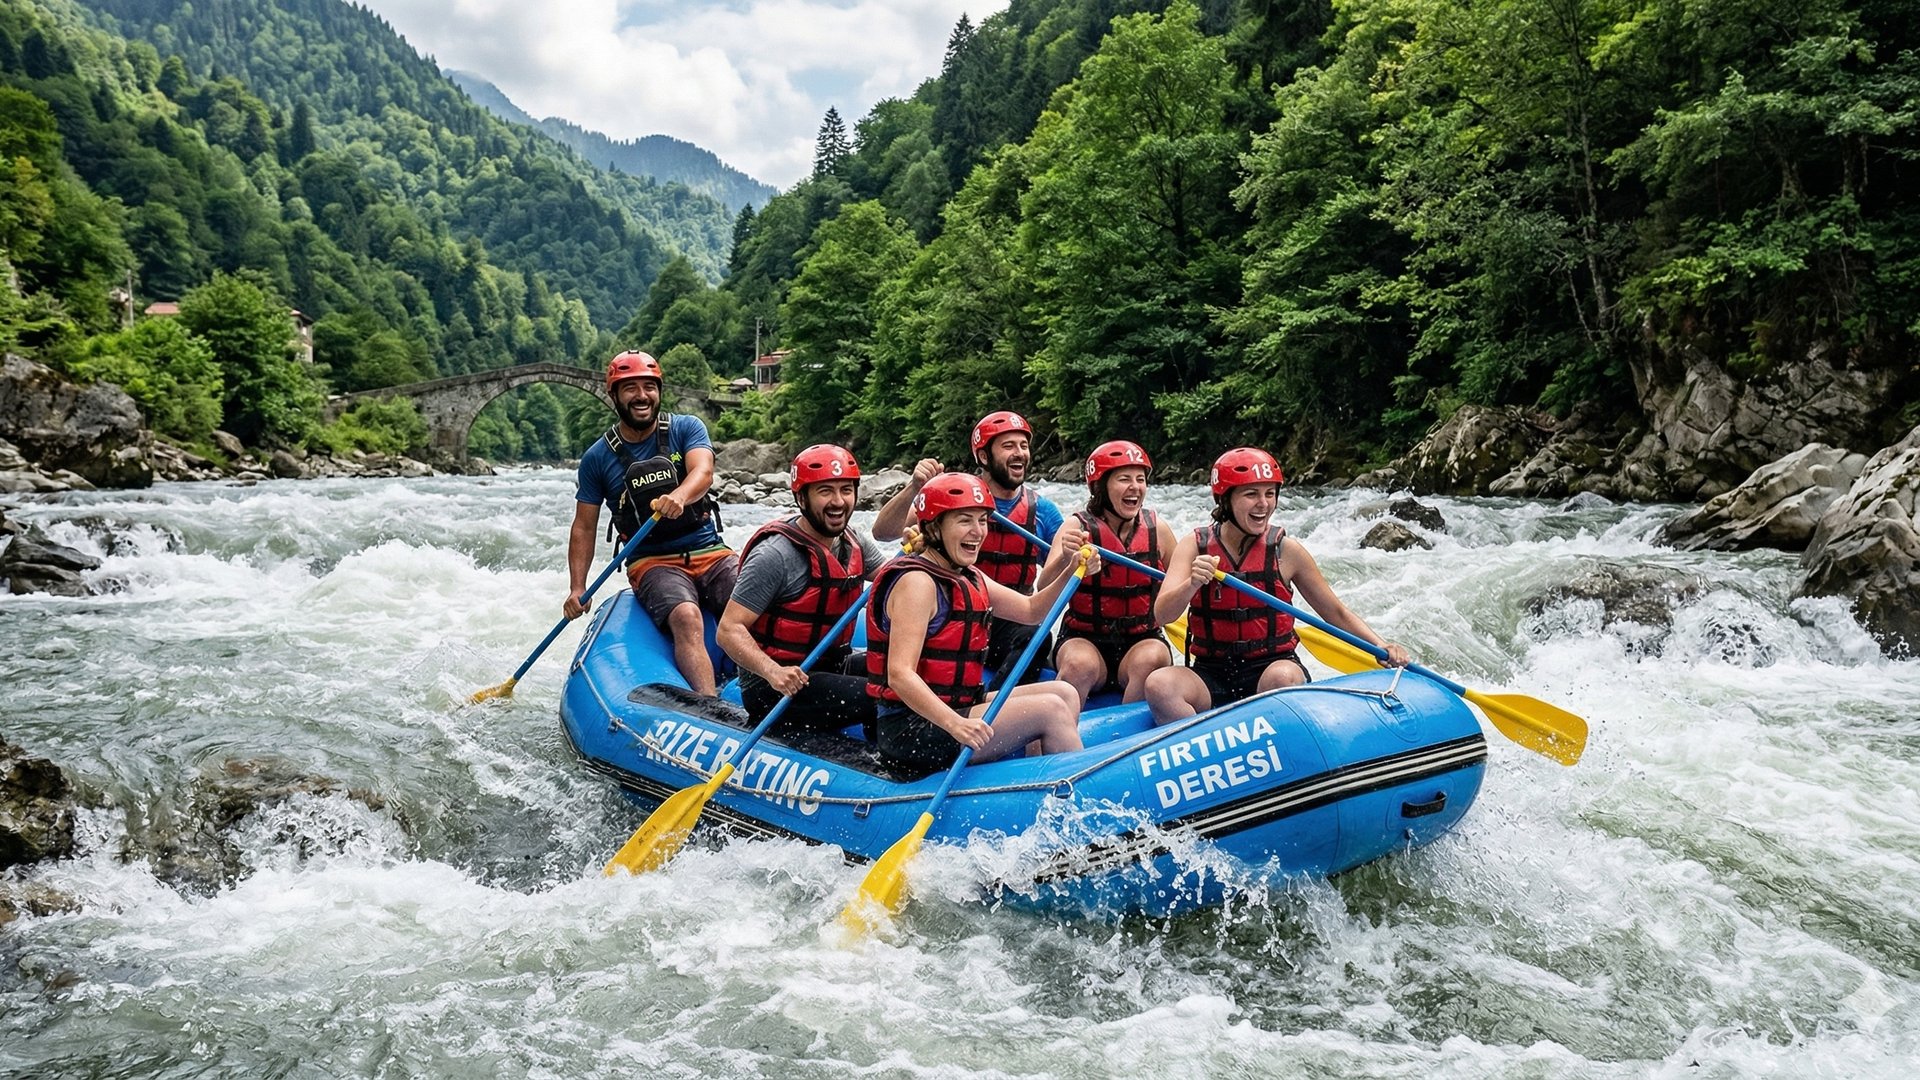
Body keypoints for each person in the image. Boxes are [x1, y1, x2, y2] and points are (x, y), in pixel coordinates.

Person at [1145, 447, 1409, 724]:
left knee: (1283, 677)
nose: (1264, 504)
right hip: (1211, 673)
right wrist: (1192, 583)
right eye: (1251, 494)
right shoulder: (1194, 545)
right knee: (1160, 685)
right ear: (1225, 500)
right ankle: (1200, 754)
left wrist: (1381, 645)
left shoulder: (1287, 551)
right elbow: (1162, 615)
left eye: (1270, 494)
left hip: (1271, 669)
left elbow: (1335, 613)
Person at [866, 472, 1092, 774]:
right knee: (1051, 710)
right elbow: (899, 674)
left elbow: (1031, 610)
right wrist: (955, 723)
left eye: (982, 520)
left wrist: (1073, 570)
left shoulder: (969, 575)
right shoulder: (917, 583)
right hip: (912, 727)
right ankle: (1075, 794)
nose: (977, 532)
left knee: (1065, 693)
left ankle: (1039, 773)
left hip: (959, 706)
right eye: (964, 521)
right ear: (934, 528)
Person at [564, 350, 735, 695]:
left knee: (752, 600)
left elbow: (703, 470)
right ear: (613, 396)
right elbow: (584, 526)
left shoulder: (687, 428)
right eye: (630, 389)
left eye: (649, 387)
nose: (641, 396)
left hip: (710, 551)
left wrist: (681, 496)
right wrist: (577, 587)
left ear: (659, 391)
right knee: (686, 616)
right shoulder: (597, 458)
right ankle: (711, 706)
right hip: (653, 561)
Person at [872, 411, 1082, 681]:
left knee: (1035, 638)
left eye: (1023, 445)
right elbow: (882, 532)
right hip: (947, 616)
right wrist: (914, 487)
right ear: (984, 457)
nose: (1019, 453)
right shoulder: (951, 498)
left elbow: (1044, 589)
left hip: (1007, 619)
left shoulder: (1043, 511)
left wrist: (1069, 558)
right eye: (1008, 446)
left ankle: (995, 705)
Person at [717, 445, 886, 735]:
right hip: (775, 687)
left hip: (832, 665)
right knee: (880, 696)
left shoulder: (853, 541)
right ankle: (884, 769)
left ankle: (883, 746)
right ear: (801, 498)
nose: (838, 502)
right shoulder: (774, 554)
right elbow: (728, 630)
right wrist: (773, 672)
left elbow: (896, 582)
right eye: (825, 491)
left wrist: (925, 554)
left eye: (846, 490)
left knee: (898, 678)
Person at [1040, 440, 1177, 705]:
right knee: (1080, 665)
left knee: (1150, 659)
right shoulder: (1075, 527)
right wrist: (1065, 562)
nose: (1135, 487)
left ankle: (1129, 736)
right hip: (1084, 638)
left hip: (1142, 638)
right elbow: (1043, 591)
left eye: (1140, 479)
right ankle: (1056, 728)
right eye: (1124, 479)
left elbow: (1181, 584)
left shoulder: (1157, 529)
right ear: (1100, 487)